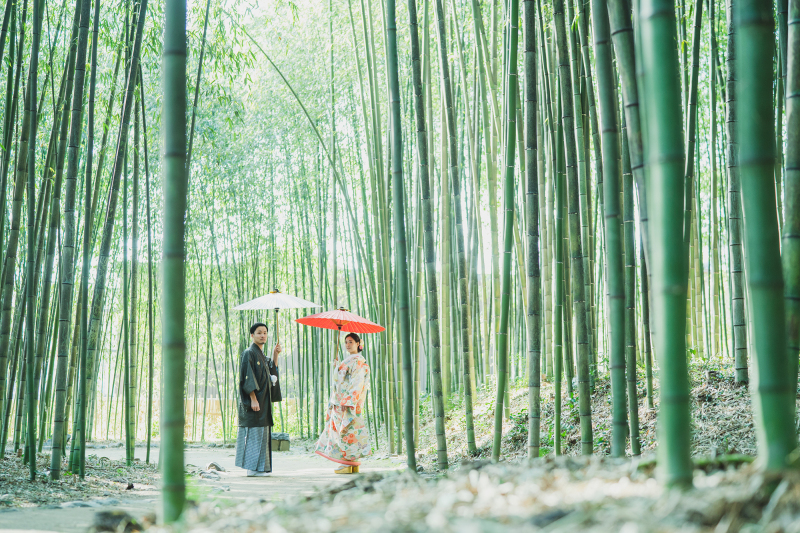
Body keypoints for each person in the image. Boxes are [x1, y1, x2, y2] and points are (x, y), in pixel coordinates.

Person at [315, 332, 371, 474]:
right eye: (346, 342)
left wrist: (349, 400)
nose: (347, 345)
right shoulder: (350, 360)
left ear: (359, 344)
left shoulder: (357, 361)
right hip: (341, 401)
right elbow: (341, 380)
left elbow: (357, 382)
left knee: (345, 432)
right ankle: (352, 463)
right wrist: (337, 366)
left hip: (346, 402)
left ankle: (347, 462)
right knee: (347, 432)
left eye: (351, 342)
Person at [235, 322, 282, 477]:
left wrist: (276, 354)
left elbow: (271, 369)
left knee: (262, 433)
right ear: (252, 335)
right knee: (254, 433)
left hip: (264, 401)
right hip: (255, 401)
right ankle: (251, 468)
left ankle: (260, 468)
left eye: (265, 332)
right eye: (259, 332)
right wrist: (253, 398)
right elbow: (246, 377)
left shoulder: (262, 355)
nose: (263, 335)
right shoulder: (249, 353)